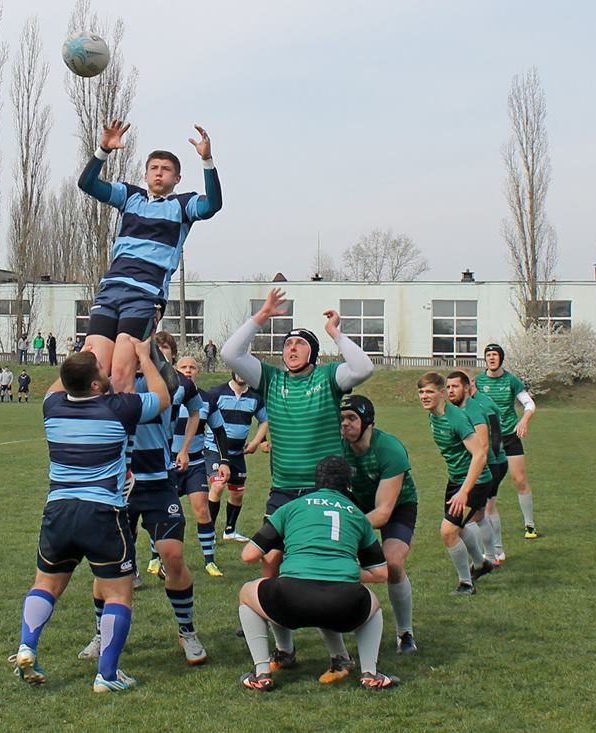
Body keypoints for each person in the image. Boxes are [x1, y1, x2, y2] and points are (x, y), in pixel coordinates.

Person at [7, 340, 170, 692]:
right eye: (100, 369)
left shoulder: (52, 406)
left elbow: (62, 383)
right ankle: (107, 676)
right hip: (101, 513)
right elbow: (162, 397)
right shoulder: (119, 408)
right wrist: (144, 357)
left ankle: (27, 646)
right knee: (118, 595)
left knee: (45, 585)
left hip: (59, 510)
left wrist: (81, 354)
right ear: (96, 384)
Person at [78, 332, 209, 667]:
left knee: (173, 556)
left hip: (158, 482)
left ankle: (187, 631)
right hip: (118, 485)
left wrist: (183, 448)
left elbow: (194, 410)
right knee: (107, 566)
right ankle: (100, 633)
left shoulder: (173, 383)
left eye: (158, 350)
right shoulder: (111, 380)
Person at [77, 119, 222, 394]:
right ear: (145, 176)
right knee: (94, 369)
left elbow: (213, 205)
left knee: (121, 373)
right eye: (154, 168)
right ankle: (91, 420)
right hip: (111, 289)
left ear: (176, 179)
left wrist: (207, 161)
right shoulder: (129, 196)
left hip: (145, 294)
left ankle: (128, 423)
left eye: (166, 169)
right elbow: (87, 184)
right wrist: (103, 150)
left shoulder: (182, 205)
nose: (159, 173)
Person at [237, 456, 398, 692]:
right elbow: (381, 574)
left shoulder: (291, 507)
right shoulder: (357, 515)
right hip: (344, 604)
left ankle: (263, 672)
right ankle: (370, 673)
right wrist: (342, 571)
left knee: (250, 591)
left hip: (291, 599)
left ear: (317, 481)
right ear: (348, 485)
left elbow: (248, 555)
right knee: (373, 603)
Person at [221, 288, 374, 519]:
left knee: (316, 541)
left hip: (325, 487)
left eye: (300, 343)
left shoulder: (327, 377)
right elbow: (230, 353)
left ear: (312, 352)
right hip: (283, 487)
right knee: (269, 544)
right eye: (288, 343)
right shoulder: (271, 379)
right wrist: (262, 316)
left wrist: (334, 332)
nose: (292, 347)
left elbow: (363, 368)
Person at [340, 395, 418, 655]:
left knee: (393, 563)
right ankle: (345, 625)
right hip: (355, 504)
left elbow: (383, 513)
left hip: (397, 506)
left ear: (368, 422)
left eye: (351, 418)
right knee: (336, 559)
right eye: (341, 419)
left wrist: (346, 527)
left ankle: (405, 633)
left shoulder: (390, 449)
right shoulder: (337, 447)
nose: (345, 424)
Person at [417, 372, 492, 595]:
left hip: (475, 481)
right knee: (458, 528)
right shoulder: (433, 415)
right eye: (421, 392)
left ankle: (466, 584)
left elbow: (480, 455)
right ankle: (481, 564)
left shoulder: (456, 418)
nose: (424, 396)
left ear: (442, 393)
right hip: (456, 479)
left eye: (429, 391)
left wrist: (464, 492)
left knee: (448, 531)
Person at [172, 355, 232, 576]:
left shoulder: (207, 399)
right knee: (165, 514)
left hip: (195, 463)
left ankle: (209, 561)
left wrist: (224, 461)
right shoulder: (166, 396)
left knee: (202, 510)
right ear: (175, 370)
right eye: (183, 367)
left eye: (192, 367)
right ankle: (155, 559)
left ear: (198, 371)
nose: (188, 370)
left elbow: (219, 431)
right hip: (168, 463)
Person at [475, 344, 539, 542]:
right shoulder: (478, 381)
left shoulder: (511, 380)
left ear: (501, 358)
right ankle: (485, 526)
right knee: (487, 484)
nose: (491, 358)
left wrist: (524, 420)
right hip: (487, 439)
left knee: (519, 480)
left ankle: (529, 524)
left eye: (495, 355)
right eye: (488, 355)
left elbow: (529, 403)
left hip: (510, 436)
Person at [203, 371, 268, 542]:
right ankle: (209, 531)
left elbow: (264, 420)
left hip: (238, 453)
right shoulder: (216, 393)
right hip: (215, 450)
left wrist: (257, 441)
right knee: (218, 486)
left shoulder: (256, 397)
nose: (241, 373)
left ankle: (230, 531)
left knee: (238, 493)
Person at [445, 372, 497, 579]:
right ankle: (488, 559)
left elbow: (483, 447)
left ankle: (480, 564)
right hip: (474, 472)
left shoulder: (473, 410)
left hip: (482, 472)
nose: (450, 391)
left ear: (467, 388)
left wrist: (470, 478)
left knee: (460, 524)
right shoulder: (458, 410)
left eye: (455, 386)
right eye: (448, 387)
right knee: (479, 516)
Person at [467, 371, 510, 563]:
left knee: (480, 512)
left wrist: (484, 461)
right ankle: (496, 552)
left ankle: (491, 555)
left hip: (493, 462)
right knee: (487, 509)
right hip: (491, 461)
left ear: (471, 382)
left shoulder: (484, 404)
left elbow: (495, 437)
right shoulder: (470, 403)